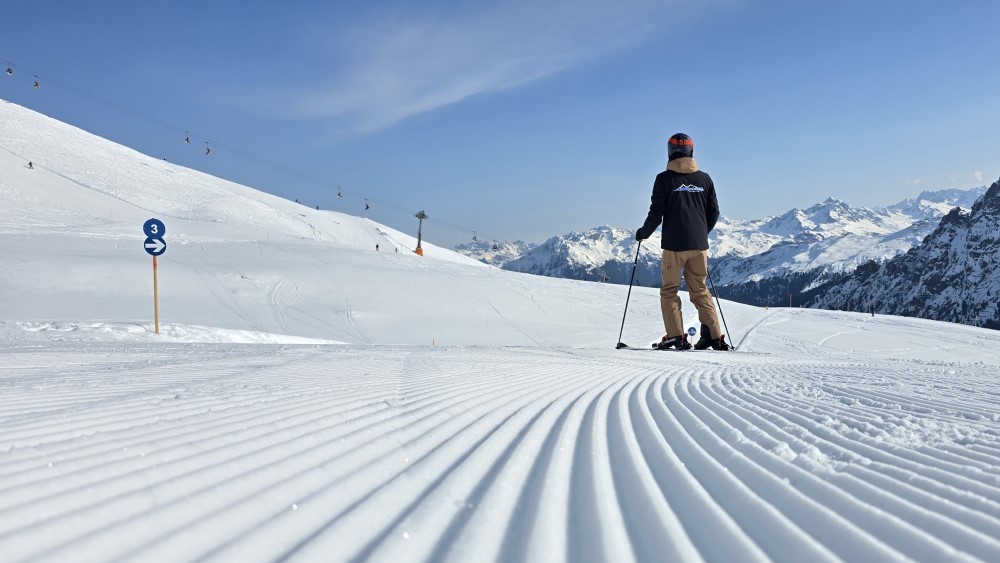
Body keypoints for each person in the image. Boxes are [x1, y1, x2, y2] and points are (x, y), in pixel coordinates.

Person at [635, 133, 729, 351]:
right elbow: (714, 212)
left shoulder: (664, 179)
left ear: (669, 152)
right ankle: (715, 337)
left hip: (674, 246)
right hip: (699, 246)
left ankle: (677, 336)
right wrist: (700, 232)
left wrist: (643, 233)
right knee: (700, 290)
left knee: (669, 291)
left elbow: (656, 213)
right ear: (691, 151)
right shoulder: (704, 179)